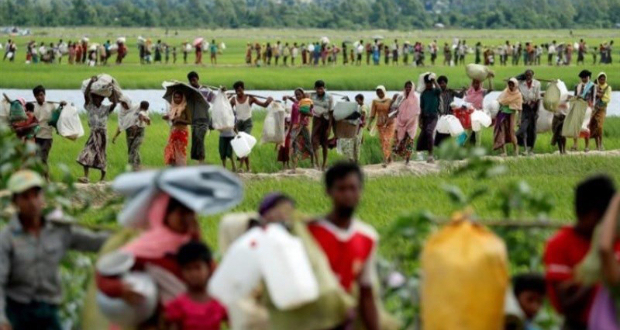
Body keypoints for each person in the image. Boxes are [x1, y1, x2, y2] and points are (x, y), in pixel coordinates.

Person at [0, 170, 108, 330]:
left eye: (36, 195)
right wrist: (2, 320)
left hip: (49, 312)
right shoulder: (7, 238)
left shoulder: (58, 231)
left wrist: (131, 236)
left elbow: (95, 241)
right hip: (18, 312)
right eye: (25, 197)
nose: (32, 202)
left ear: (42, 198)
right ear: (15, 202)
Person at [96, 193, 201, 329]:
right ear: (164, 215)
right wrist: (120, 289)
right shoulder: (145, 248)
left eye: (191, 213)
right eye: (182, 214)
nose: (188, 219)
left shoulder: (191, 244)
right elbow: (103, 277)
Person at [306, 162, 379, 330]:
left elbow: (366, 294)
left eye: (353, 188)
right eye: (341, 189)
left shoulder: (367, 237)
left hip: (342, 321)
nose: (348, 195)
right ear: (328, 191)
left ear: (360, 191)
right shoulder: (310, 233)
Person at [544, 175, 617, 330]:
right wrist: (596, 275)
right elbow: (566, 305)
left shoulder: (614, 240)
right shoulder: (560, 244)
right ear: (594, 215)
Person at [165, 241, 227, 330]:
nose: (193, 274)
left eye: (197, 267)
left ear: (209, 268)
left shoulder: (219, 303)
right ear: (181, 271)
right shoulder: (177, 306)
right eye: (188, 269)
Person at [77, 77, 116, 183]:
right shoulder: (89, 106)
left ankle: (102, 178)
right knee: (87, 153)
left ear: (102, 98)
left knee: (102, 154)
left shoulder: (105, 108)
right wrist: (91, 82)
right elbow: (86, 95)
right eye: (94, 97)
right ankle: (86, 176)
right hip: (93, 133)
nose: (95, 99)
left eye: (98, 98)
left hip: (102, 133)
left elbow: (115, 103)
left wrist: (113, 88)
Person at [230, 81, 273, 172]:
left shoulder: (250, 98)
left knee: (243, 142)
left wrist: (268, 101)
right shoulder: (233, 100)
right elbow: (228, 111)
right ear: (235, 91)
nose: (239, 91)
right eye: (237, 90)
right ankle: (248, 168)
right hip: (238, 124)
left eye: (240, 89)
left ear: (243, 89)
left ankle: (241, 166)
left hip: (248, 123)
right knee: (244, 145)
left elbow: (264, 105)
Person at [31, 85, 64, 177]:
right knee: (37, 159)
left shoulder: (51, 105)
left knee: (43, 158)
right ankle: (43, 178)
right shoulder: (34, 106)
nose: (39, 97)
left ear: (44, 95)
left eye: (41, 95)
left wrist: (61, 106)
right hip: (36, 137)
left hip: (47, 137)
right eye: (37, 96)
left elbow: (56, 116)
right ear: (35, 97)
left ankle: (46, 178)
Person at [112, 99, 151, 171]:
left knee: (134, 148)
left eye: (126, 104)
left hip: (140, 132)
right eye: (122, 104)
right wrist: (115, 137)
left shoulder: (139, 109)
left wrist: (144, 120)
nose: (124, 106)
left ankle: (131, 167)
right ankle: (137, 166)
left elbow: (143, 117)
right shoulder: (123, 114)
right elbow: (121, 125)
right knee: (131, 150)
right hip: (129, 132)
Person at [187, 71, 216, 164]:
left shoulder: (206, 91)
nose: (193, 82)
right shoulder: (189, 92)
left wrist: (223, 93)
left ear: (198, 79)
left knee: (200, 138)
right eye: (191, 80)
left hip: (204, 119)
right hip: (194, 120)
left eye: (194, 80)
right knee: (195, 139)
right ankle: (199, 160)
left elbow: (216, 101)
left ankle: (201, 161)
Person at [283, 88, 314, 173]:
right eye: (296, 95)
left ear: (303, 95)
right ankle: (294, 167)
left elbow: (312, 114)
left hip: (304, 126)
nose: (297, 96)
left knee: (308, 144)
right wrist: (290, 128)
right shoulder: (295, 105)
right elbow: (293, 118)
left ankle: (313, 163)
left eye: (299, 94)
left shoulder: (308, 103)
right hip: (296, 127)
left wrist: (304, 112)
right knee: (294, 145)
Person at [391, 81, 419, 165]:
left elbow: (416, 112)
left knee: (409, 142)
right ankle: (392, 159)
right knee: (397, 141)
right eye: (406, 87)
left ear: (413, 88)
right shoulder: (401, 97)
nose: (408, 88)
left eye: (410, 87)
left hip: (411, 124)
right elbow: (394, 107)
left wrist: (409, 121)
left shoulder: (415, 99)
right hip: (400, 122)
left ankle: (407, 160)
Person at [367, 86, 395, 167]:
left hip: (390, 123)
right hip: (380, 124)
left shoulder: (390, 100)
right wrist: (369, 124)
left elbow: (393, 112)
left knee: (387, 140)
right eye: (378, 92)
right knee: (383, 141)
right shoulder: (375, 101)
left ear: (384, 92)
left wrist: (390, 119)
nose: (379, 94)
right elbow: (372, 113)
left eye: (381, 92)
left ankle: (386, 159)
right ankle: (388, 158)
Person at [493, 78, 522, 156]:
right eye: (509, 85)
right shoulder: (505, 92)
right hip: (502, 113)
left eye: (512, 85)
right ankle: (504, 152)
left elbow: (519, 108)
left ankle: (516, 150)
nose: (511, 87)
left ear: (516, 85)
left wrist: (519, 119)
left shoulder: (518, 95)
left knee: (512, 132)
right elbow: (499, 100)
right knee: (501, 132)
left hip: (511, 114)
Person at [310, 80, 334, 170]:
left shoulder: (329, 97)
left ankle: (324, 163)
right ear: (315, 88)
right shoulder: (312, 96)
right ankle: (318, 163)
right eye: (318, 89)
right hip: (316, 119)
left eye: (321, 89)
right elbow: (302, 97)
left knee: (324, 143)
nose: (319, 91)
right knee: (314, 141)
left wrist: (329, 128)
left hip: (326, 120)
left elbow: (331, 112)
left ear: (324, 88)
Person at [516, 70, 541, 155]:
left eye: (530, 75)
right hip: (524, 108)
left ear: (532, 75)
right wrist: (519, 76)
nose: (528, 77)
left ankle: (531, 149)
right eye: (526, 75)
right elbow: (512, 81)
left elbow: (538, 99)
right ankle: (525, 148)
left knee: (532, 129)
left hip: (533, 108)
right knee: (523, 129)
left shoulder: (537, 84)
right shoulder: (520, 84)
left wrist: (537, 112)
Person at [417, 74, 441, 163]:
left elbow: (440, 90)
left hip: (433, 116)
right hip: (425, 116)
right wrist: (420, 119)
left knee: (429, 131)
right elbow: (422, 108)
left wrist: (434, 80)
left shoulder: (435, 92)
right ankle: (425, 155)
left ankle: (430, 155)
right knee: (424, 135)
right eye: (427, 83)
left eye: (430, 83)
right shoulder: (423, 94)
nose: (429, 85)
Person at [569, 70, 595, 152]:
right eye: (582, 78)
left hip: (587, 108)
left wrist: (592, 108)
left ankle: (587, 146)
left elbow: (593, 98)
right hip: (578, 107)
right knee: (576, 126)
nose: (584, 79)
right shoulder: (577, 86)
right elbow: (575, 96)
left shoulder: (592, 86)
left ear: (588, 77)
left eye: (585, 77)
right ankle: (575, 145)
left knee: (585, 126)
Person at [436, 76, 465, 146]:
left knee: (451, 131)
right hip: (441, 116)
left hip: (450, 115)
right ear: (438, 84)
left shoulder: (450, 91)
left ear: (446, 83)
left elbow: (460, 96)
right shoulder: (437, 93)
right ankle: (439, 146)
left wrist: (463, 90)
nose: (442, 85)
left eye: (444, 83)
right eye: (440, 83)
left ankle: (453, 146)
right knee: (441, 131)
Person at [164, 91, 191, 166]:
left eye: (178, 97)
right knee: (172, 152)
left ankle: (182, 169)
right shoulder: (173, 107)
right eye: (175, 97)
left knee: (180, 152)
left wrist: (180, 120)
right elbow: (172, 119)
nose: (176, 99)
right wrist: (168, 117)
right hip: (174, 131)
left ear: (182, 98)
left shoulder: (185, 107)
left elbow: (190, 121)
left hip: (182, 132)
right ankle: (174, 169)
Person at [339, 94, 367, 164]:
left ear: (361, 100)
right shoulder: (360, 107)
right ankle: (353, 160)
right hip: (357, 128)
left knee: (355, 145)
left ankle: (354, 161)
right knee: (354, 144)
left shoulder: (363, 107)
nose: (356, 102)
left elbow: (362, 117)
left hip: (358, 128)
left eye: (357, 101)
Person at [589, 72, 611, 151]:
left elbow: (608, 99)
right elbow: (591, 97)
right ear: (598, 79)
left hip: (602, 109)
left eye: (603, 79)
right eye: (601, 79)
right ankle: (597, 146)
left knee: (600, 127)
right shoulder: (595, 87)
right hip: (594, 109)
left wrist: (602, 95)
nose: (602, 80)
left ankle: (601, 144)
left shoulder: (607, 87)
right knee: (594, 126)